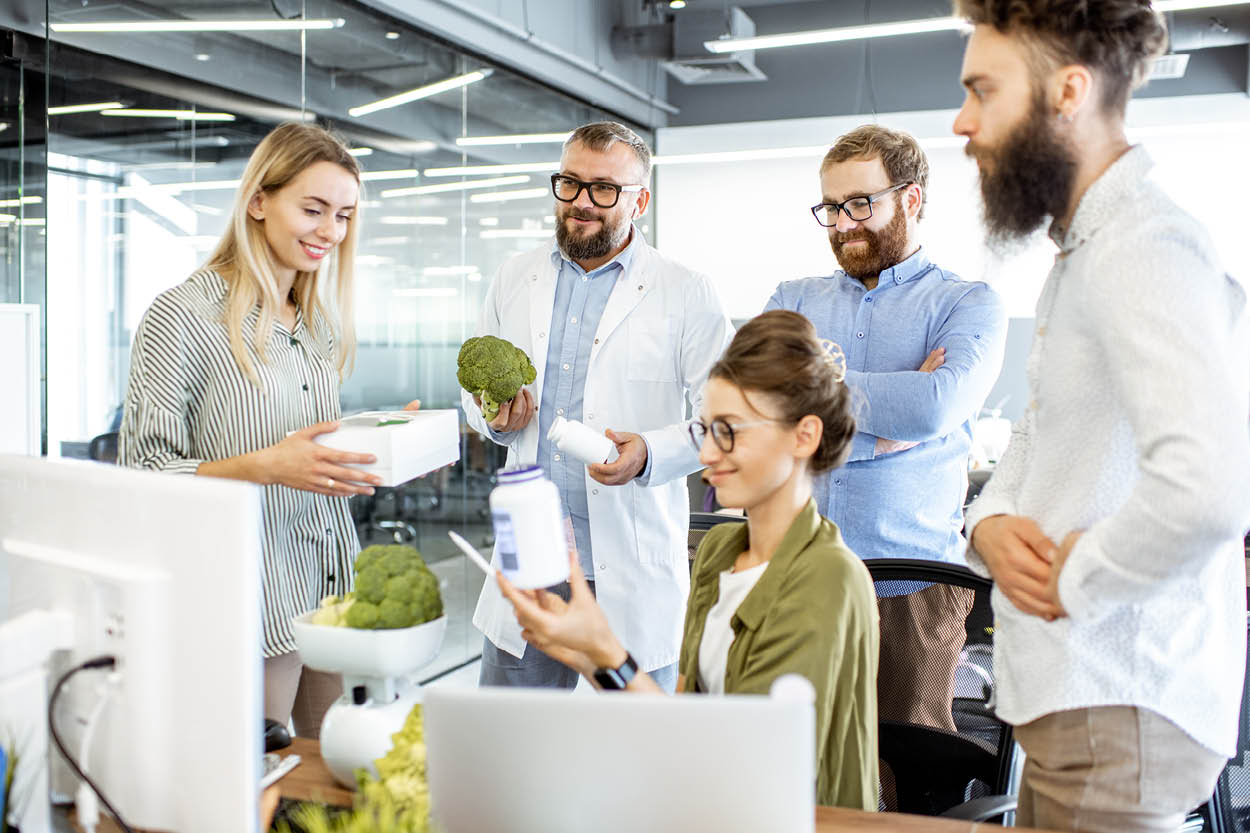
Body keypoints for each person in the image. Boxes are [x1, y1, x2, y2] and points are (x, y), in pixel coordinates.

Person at [953, 2, 1250, 830]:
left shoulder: (1144, 246)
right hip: (1079, 700)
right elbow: (1045, 440)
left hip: (1120, 700)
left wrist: (1074, 575)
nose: (962, 120)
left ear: (1067, 92)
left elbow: (1212, 485)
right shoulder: (1088, 249)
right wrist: (990, 520)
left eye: (983, 90)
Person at [498, 310, 879, 810]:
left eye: (731, 431)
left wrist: (607, 651)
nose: (708, 452)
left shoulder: (828, 580)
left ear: (803, 436)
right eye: (705, 429)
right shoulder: (722, 551)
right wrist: (586, 654)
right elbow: (682, 724)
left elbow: (747, 776)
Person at [119, 122, 417, 738]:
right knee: (258, 793)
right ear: (259, 201)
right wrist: (262, 467)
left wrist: (389, 440)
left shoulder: (316, 324)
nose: (329, 232)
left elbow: (309, 450)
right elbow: (142, 475)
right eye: (313, 209)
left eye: (343, 215)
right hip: (250, 599)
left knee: (334, 793)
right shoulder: (183, 315)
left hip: (330, 589)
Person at [463, 121, 733, 693]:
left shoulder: (686, 291)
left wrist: (650, 453)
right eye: (570, 183)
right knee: (510, 749)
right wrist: (490, 416)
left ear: (641, 200)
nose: (582, 203)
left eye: (604, 189)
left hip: (632, 567)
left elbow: (726, 420)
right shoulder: (515, 277)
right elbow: (473, 391)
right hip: (529, 557)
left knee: (632, 756)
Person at [766, 125, 1007, 732]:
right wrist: (889, 432)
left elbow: (934, 406)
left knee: (911, 768)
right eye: (830, 208)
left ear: (912, 200)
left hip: (915, 584)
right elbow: (759, 405)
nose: (843, 223)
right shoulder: (792, 299)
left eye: (861, 204)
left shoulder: (967, 303)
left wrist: (821, 409)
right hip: (803, 578)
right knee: (804, 761)